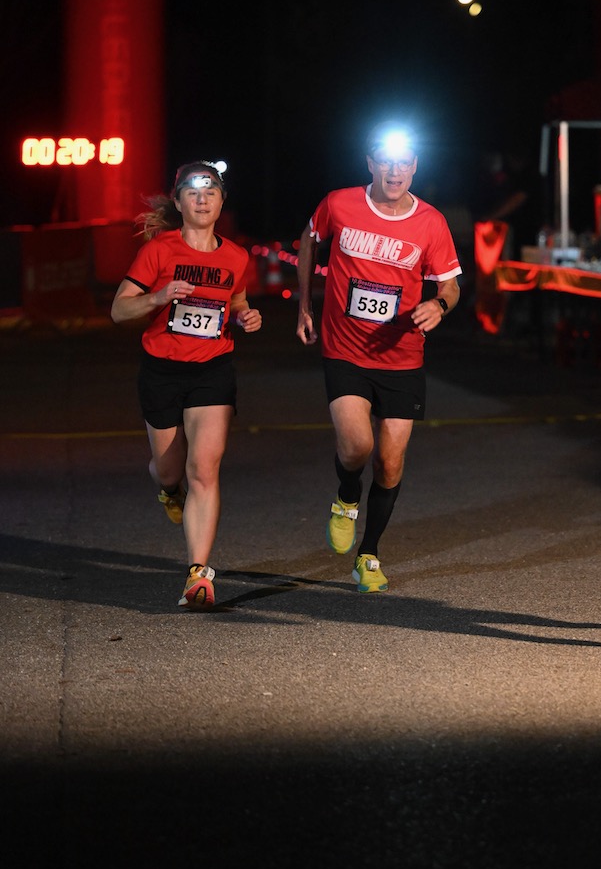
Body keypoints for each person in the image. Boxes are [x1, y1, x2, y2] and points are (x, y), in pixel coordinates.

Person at [296, 122, 462, 592]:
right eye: (385, 161)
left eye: (404, 162)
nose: (395, 170)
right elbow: (309, 239)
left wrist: (440, 304)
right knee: (357, 447)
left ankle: (368, 554)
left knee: (390, 463)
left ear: (414, 167)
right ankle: (347, 496)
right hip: (345, 347)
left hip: (402, 356)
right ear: (370, 163)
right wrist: (305, 304)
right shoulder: (339, 203)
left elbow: (450, 283)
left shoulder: (431, 222)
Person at [110, 161, 262, 609]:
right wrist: (157, 297)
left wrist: (244, 315)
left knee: (204, 469)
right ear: (178, 202)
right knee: (171, 470)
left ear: (221, 201)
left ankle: (199, 574)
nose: (202, 199)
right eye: (192, 193)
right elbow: (119, 310)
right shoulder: (160, 249)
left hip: (212, 370)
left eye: (211, 191)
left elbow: (236, 301)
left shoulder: (236, 256)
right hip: (162, 370)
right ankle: (166, 488)